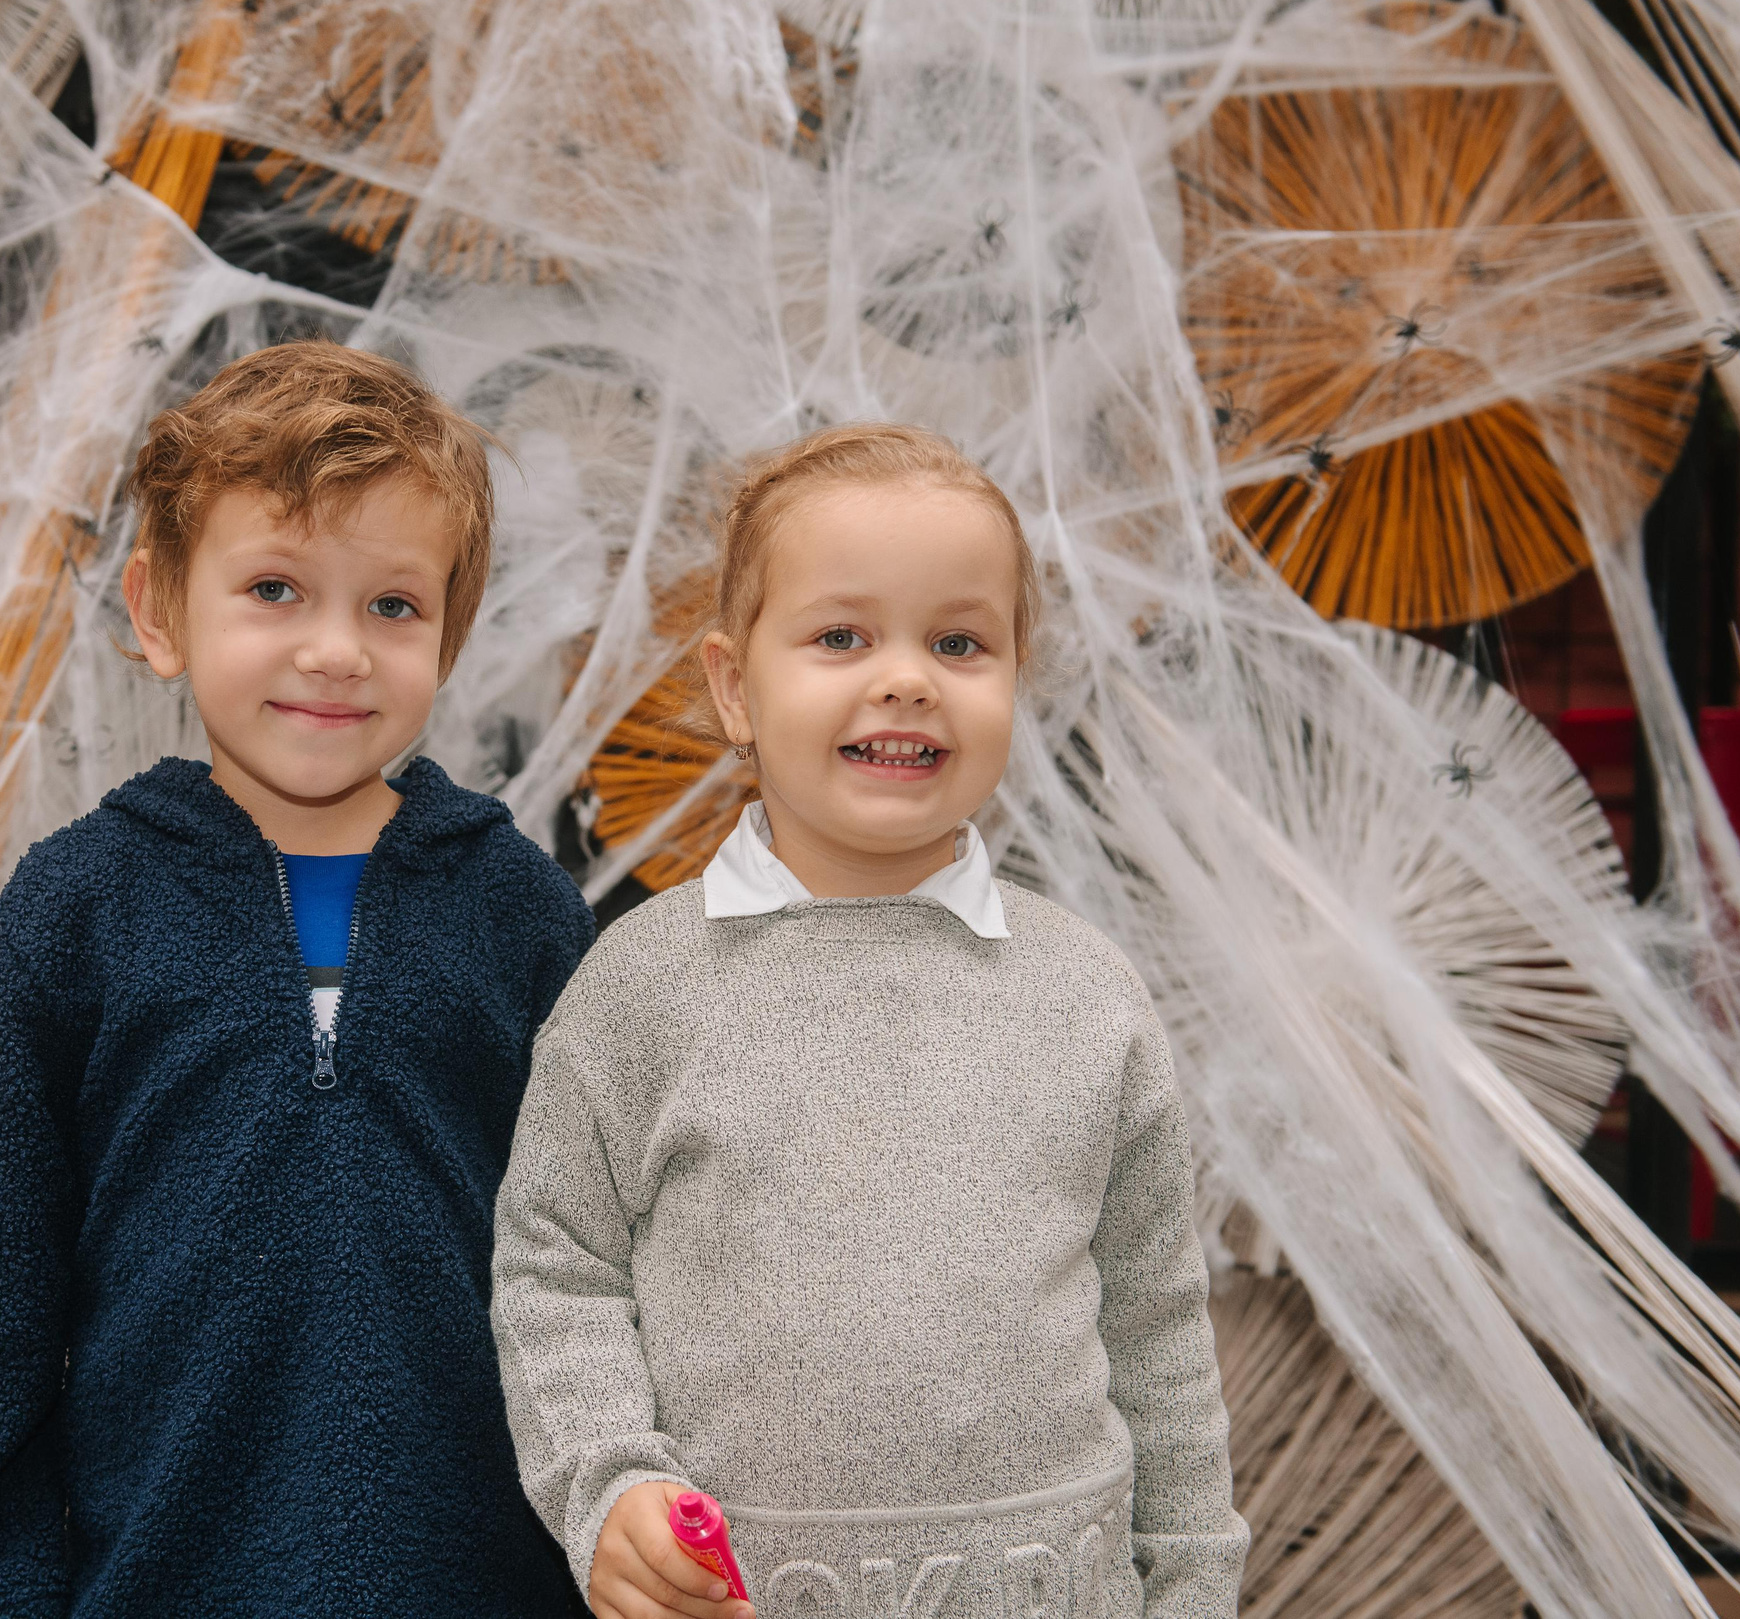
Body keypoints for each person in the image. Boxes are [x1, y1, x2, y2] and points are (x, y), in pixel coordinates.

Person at [490, 424, 1246, 1619]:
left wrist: (1195, 1583)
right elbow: (556, 1270)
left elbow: (1155, 1323)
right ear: (735, 687)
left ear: (1014, 676)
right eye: (841, 637)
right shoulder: (639, 988)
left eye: (959, 641)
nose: (905, 678)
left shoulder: (1087, 995)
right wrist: (610, 1483)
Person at [0, 340, 595, 1617]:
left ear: (448, 634)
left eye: (392, 606)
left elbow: (601, 1274)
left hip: (483, 1579)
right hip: (162, 1579)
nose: (336, 651)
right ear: (156, 612)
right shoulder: (80, 907)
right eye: (275, 588)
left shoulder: (522, 913)